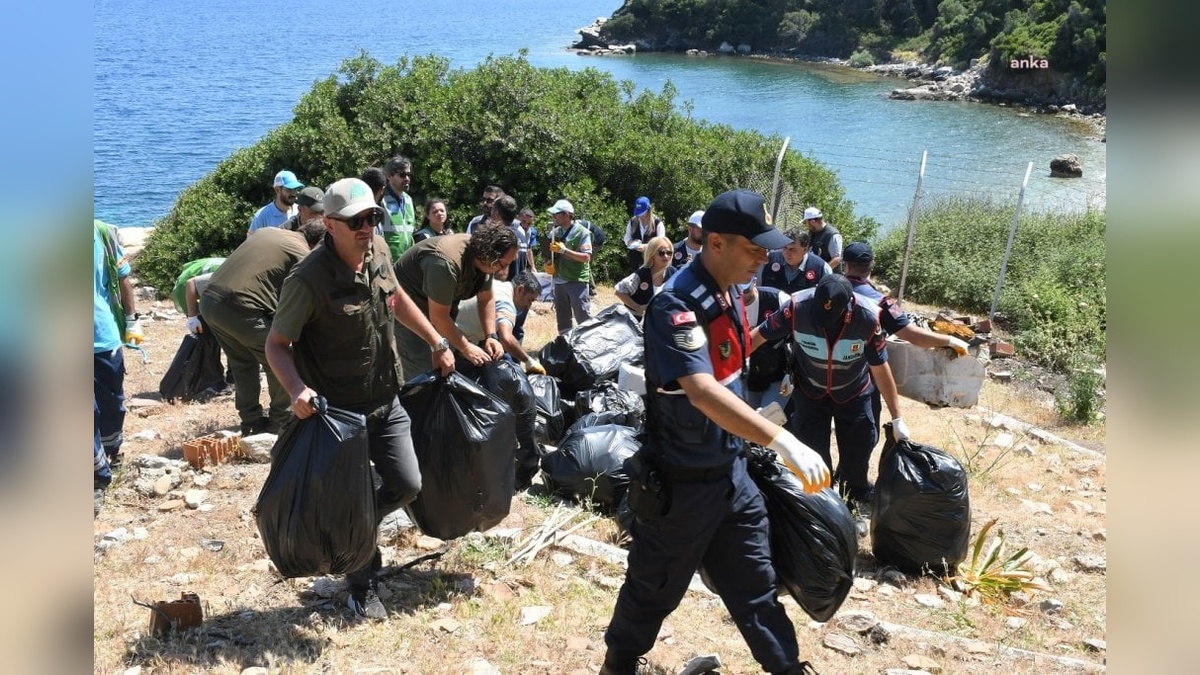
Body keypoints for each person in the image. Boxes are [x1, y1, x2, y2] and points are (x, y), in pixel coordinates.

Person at [601, 189, 829, 675]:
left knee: (757, 585)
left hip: (730, 472)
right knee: (653, 585)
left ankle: (787, 668)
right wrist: (782, 439)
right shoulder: (676, 305)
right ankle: (619, 664)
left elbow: (730, 363)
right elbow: (702, 390)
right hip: (682, 481)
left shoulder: (727, 287)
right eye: (753, 249)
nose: (763, 259)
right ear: (718, 243)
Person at [265, 177, 455, 621]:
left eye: (372, 218)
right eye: (356, 221)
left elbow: (398, 298)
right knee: (356, 502)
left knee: (407, 483)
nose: (367, 227)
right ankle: (360, 584)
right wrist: (297, 390)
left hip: (385, 399)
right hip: (339, 417)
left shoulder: (379, 252)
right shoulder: (307, 280)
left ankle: (356, 519)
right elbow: (276, 344)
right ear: (330, 225)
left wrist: (435, 340)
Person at [751, 273, 909, 509]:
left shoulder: (867, 318)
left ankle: (854, 494)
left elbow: (880, 367)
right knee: (812, 454)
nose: (823, 321)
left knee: (859, 448)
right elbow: (757, 336)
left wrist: (897, 418)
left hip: (853, 392)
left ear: (848, 307)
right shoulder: (796, 308)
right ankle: (823, 501)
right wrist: (725, 369)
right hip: (809, 392)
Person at [200, 220, 326, 435]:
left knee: (241, 365)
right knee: (279, 361)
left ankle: (250, 422)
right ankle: (280, 422)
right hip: (241, 308)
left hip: (210, 303)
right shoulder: (303, 252)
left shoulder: (267, 231)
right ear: (318, 242)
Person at [393, 222, 518, 381]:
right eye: (503, 264)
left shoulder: (486, 261)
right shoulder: (444, 262)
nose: (504, 271)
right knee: (423, 374)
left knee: (446, 366)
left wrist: (491, 336)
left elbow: (486, 298)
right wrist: (466, 348)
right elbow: (439, 317)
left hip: (437, 313)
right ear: (490, 256)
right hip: (406, 313)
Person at [94, 220, 143, 516]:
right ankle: (95, 479)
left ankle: (111, 450)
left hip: (102, 336)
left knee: (112, 405)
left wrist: (131, 319)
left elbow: (124, 277)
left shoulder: (102, 233)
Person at [455, 269, 545, 373]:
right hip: (454, 339)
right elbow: (506, 339)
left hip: (449, 326)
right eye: (530, 300)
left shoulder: (497, 285)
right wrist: (528, 360)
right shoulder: (506, 303)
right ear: (520, 290)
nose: (528, 306)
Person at [742, 277, 790, 413]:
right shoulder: (728, 303)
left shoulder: (777, 299)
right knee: (750, 425)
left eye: (745, 290)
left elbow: (798, 334)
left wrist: (792, 372)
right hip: (749, 378)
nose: (741, 295)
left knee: (768, 418)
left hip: (779, 375)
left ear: (754, 282)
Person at [545, 199, 593, 333]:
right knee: (562, 317)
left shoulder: (582, 232)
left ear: (567, 214)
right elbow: (548, 254)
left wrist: (564, 251)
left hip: (576, 279)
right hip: (559, 280)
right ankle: (565, 344)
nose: (554, 217)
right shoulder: (555, 232)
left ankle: (588, 343)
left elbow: (586, 257)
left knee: (582, 315)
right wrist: (547, 264)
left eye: (557, 214)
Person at [613, 235, 676, 317]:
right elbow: (619, 291)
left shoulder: (674, 273)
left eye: (669, 253)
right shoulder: (642, 273)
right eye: (661, 253)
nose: (666, 256)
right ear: (652, 254)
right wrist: (637, 307)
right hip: (637, 322)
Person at [758, 228, 831, 293]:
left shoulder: (821, 268)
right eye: (784, 248)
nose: (787, 253)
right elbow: (755, 288)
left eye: (792, 250)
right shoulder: (768, 259)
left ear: (805, 250)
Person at [381, 156, 417, 259]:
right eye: (402, 175)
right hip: (387, 262)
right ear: (389, 176)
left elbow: (410, 236)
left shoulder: (409, 200)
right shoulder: (381, 198)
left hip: (406, 264)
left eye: (409, 175)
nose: (407, 179)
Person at [248, 170, 303, 236]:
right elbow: (251, 241)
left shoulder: (300, 211)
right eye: (289, 189)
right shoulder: (262, 216)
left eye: (295, 189)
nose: (293, 193)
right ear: (277, 190)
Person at [622, 196, 665, 273]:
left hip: (652, 261)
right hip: (635, 261)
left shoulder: (658, 223)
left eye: (642, 213)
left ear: (649, 210)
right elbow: (627, 238)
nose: (640, 216)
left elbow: (661, 242)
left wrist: (646, 246)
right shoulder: (632, 221)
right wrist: (631, 243)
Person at [509, 207, 538, 279]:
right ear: (517, 218)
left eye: (529, 223)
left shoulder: (531, 232)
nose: (525, 226)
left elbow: (529, 250)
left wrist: (533, 267)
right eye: (523, 222)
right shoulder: (511, 229)